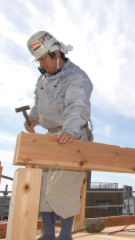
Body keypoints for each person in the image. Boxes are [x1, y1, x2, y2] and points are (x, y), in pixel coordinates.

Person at [26, 31, 93, 240]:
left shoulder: (77, 77)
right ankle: (47, 234)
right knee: (45, 186)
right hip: (51, 137)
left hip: (72, 135)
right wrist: (33, 118)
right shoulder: (43, 78)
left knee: (62, 187)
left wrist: (70, 130)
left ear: (56, 54)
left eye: (43, 58)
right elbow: (38, 103)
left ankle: (65, 235)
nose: (41, 63)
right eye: (38, 59)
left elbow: (78, 106)